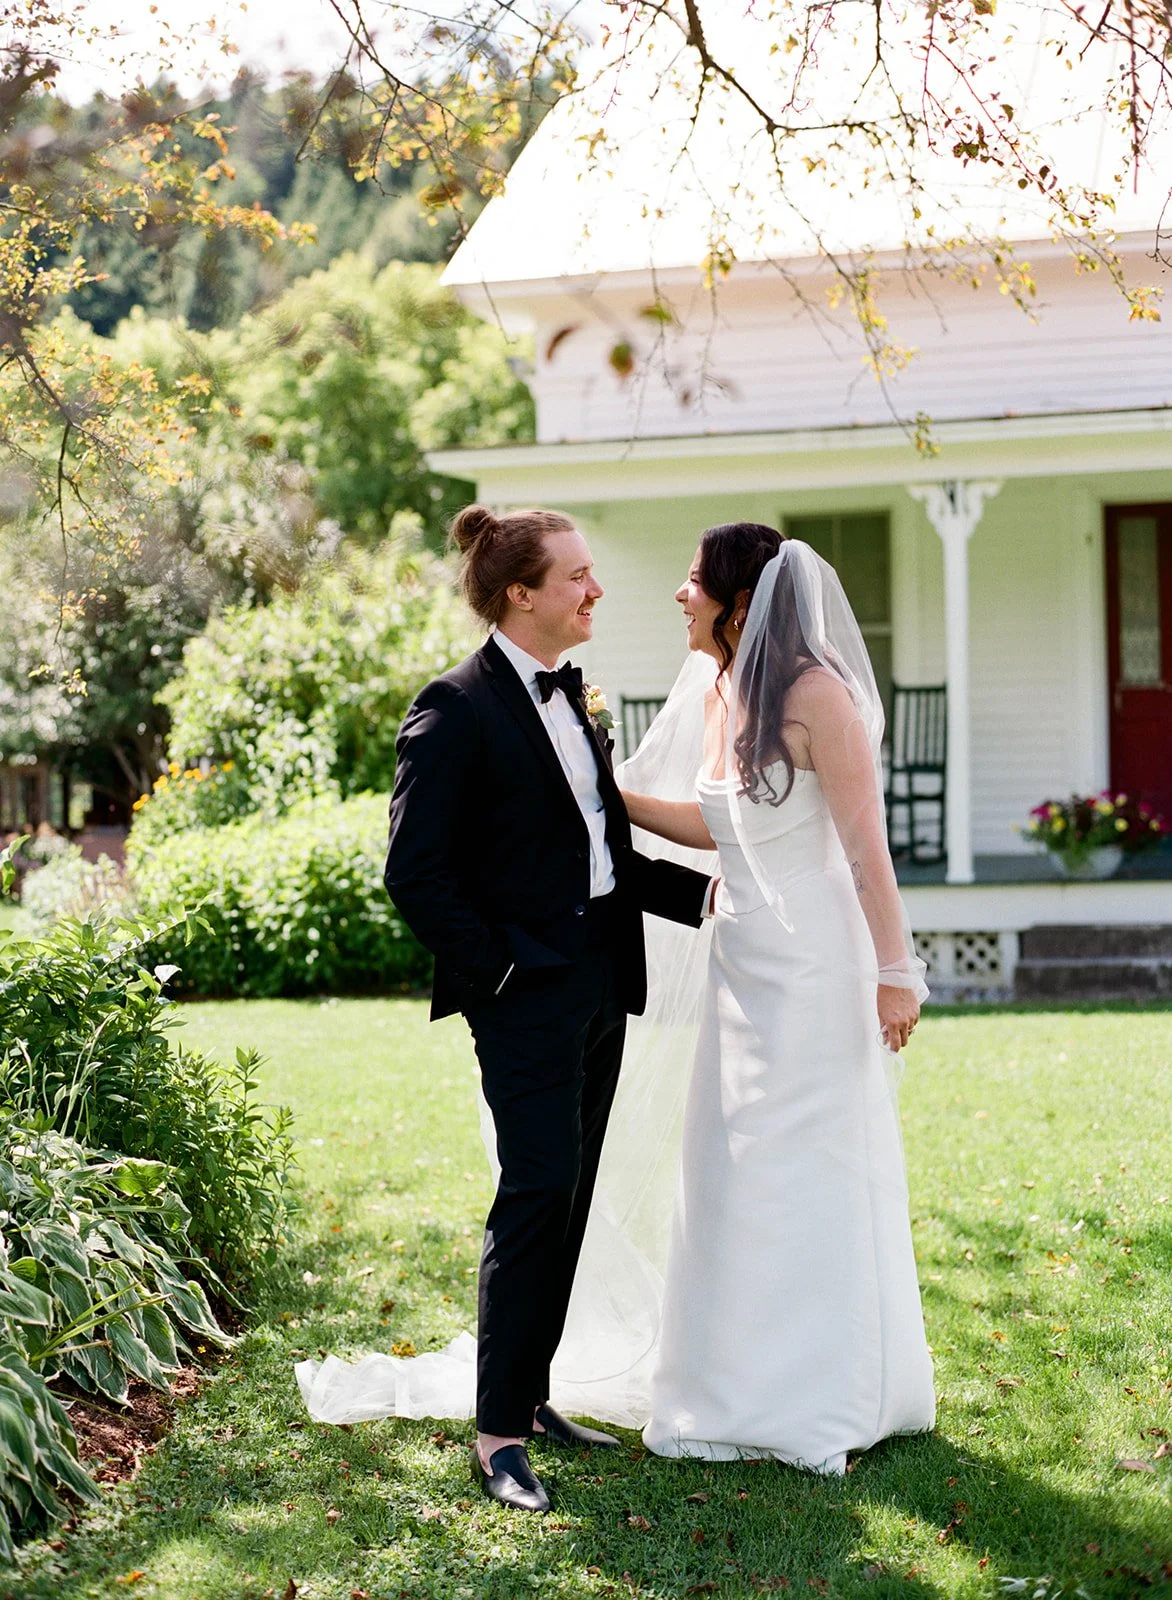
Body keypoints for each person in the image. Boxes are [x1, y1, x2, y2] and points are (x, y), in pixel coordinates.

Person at [380, 504, 715, 1512]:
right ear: (520, 593)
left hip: (603, 983)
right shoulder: (453, 708)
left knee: (569, 1195)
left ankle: (531, 1395)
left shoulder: (577, 700)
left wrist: (710, 898)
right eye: (576, 576)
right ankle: (496, 1435)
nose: (594, 589)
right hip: (524, 999)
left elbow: (602, 852)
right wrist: (502, 977)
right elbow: (414, 873)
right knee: (534, 1195)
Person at [619, 522, 935, 1472]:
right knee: (731, 1167)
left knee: (805, 1164)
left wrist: (896, 972)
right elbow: (719, 824)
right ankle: (730, 1386)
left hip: (817, 965)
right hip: (741, 959)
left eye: (694, 580)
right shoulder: (723, 691)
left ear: (743, 603)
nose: (681, 594)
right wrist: (610, 795)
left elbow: (865, 850)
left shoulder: (818, 694)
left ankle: (822, 1396)